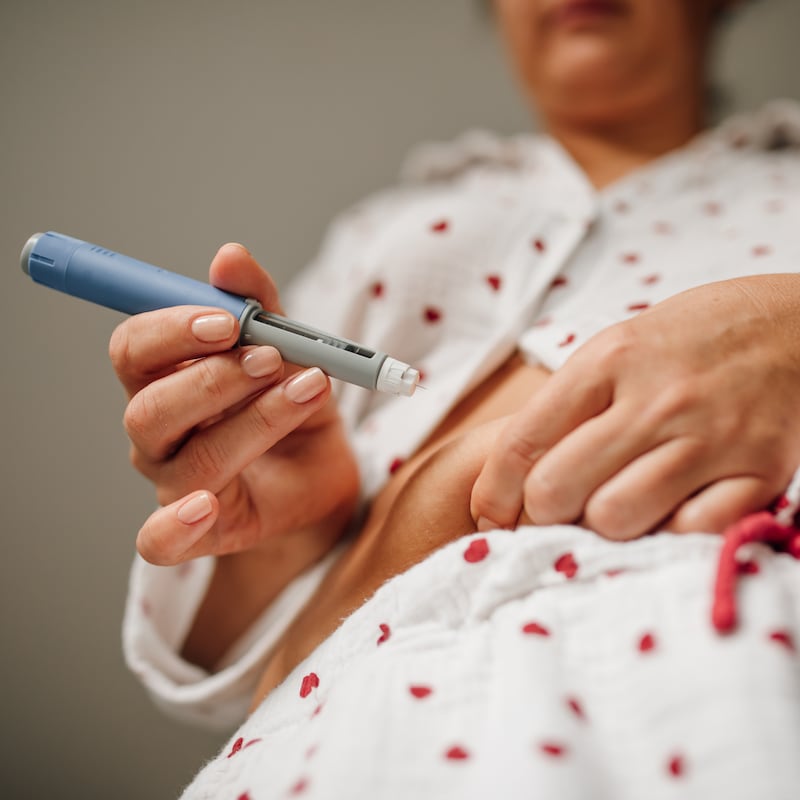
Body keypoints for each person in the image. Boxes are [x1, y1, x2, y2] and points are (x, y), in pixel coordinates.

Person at [118, 1, 800, 796]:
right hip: (345, 736)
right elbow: (249, 667)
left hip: (715, 670)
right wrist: (282, 535)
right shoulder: (382, 232)